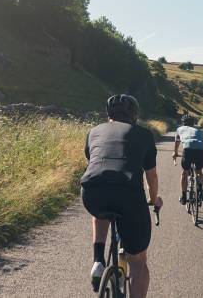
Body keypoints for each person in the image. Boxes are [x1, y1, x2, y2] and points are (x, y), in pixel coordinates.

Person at [80, 94, 163, 298]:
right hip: (128, 196)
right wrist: (154, 199)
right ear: (134, 115)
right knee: (138, 263)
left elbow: (96, 164)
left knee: (101, 206)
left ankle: (98, 260)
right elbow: (151, 177)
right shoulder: (144, 134)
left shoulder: (93, 132)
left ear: (108, 114)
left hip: (92, 191)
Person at [173, 114, 203, 205]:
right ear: (193, 123)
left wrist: (175, 153)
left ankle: (183, 196)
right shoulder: (199, 131)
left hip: (187, 150)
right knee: (199, 171)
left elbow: (177, 143)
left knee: (184, 173)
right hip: (200, 150)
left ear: (183, 123)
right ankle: (200, 190)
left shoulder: (179, 129)